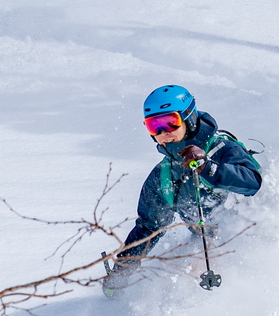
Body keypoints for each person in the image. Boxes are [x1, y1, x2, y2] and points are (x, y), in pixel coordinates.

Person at [104, 85, 262, 295]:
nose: (163, 133)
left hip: (252, 238)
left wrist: (207, 167)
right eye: (154, 126)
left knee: (197, 270)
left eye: (170, 123)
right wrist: (121, 271)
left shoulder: (222, 149)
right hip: (207, 243)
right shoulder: (164, 176)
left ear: (189, 117)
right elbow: (148, 228)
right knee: (180, 277)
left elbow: (252, 182)